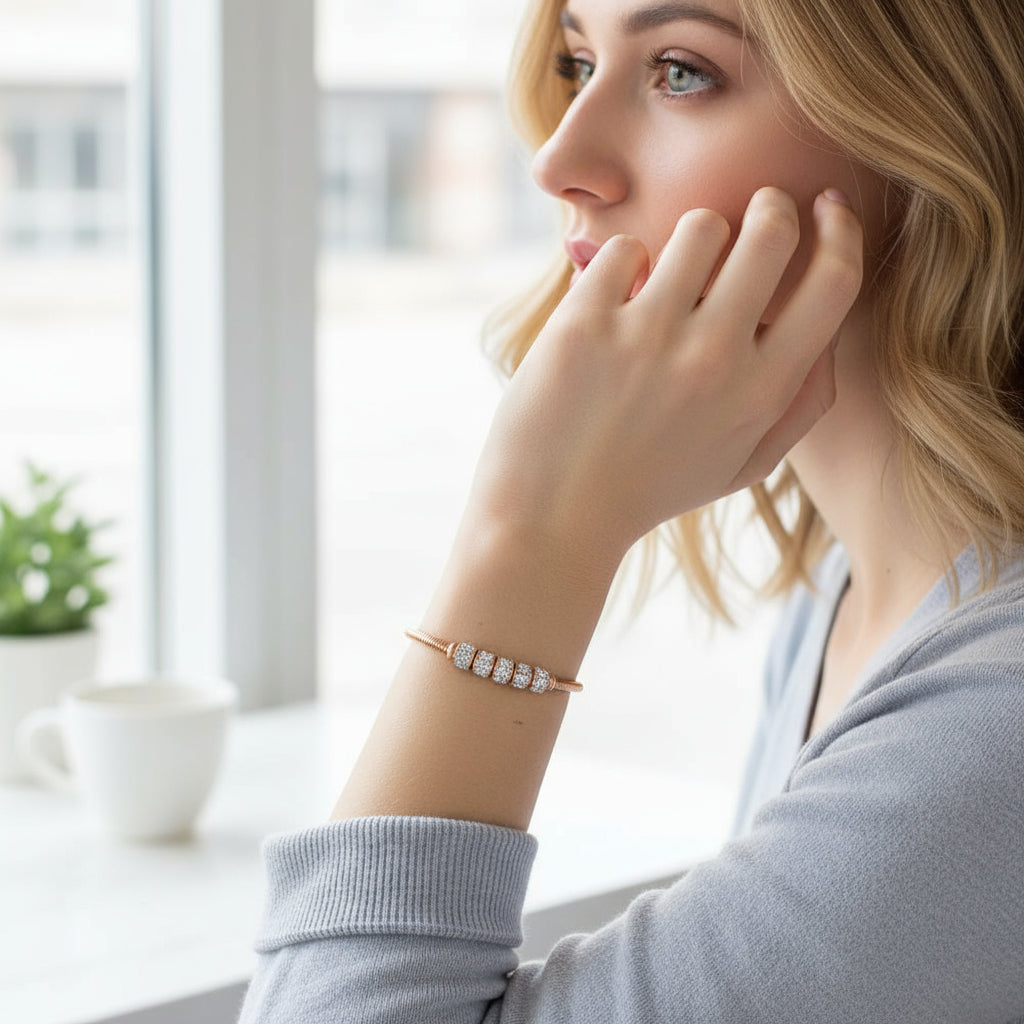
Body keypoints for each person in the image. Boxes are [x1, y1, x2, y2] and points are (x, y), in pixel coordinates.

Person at [238, 0, 1024, 1020]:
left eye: (680, 71)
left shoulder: (990, 728)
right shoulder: (856, 587)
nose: (559, 160)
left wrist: (529, 536)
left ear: (927, 128)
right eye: (577, 61)